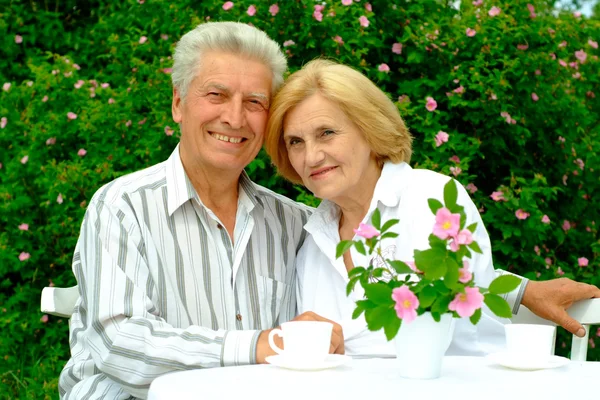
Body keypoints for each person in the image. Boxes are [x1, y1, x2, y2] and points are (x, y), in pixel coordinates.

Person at [58, 23, 344, 399]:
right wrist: (259, 345)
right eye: (216, 94)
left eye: (255, 102)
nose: (235, 118)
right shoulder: (122, 207)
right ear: (178, 103)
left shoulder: (293, 224)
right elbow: (120, 344)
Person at [264, 59, 600, 356]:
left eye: (327, 133)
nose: (311, 157)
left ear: (369, 129)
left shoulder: (432, 198)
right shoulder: (312, 237)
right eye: (296, 142)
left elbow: (439, 325)